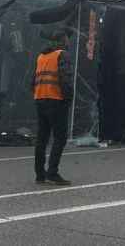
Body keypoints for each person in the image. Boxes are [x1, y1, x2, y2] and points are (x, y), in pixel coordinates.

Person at [33, 31, 74, 185]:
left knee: (42, 138)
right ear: (62, 40)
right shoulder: (62, 55)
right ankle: (52, 172)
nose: (69, 42)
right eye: (67, 38)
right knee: (60, 138)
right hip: (56, 100)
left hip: (40, 98)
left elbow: (33, 80)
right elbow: (66, 79)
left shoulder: (41, 56)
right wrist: (68, 99)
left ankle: (39, 173)